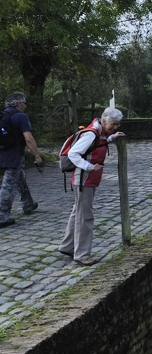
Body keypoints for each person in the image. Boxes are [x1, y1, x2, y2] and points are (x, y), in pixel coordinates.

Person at [58, 107, 125, 265]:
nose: (115, 127)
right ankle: (81, 255)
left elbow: (96, 145)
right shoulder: (91, 133)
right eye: (113, 124)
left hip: (88, 179)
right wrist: (88, 166)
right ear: (103, 121)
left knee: (78, 211)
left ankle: (67, 246)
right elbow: (74, 153)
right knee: (85, 216)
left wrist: (111, 138)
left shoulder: (99, 132)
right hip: (84, 180)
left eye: (117, 125)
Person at [0, 92, 43, 228]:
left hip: (2, 153)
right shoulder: (21, 116)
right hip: (14, 156)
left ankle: (28, 203)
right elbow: (28, 138)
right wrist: (37, 156)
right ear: (19, 104)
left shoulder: (2, 115)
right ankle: (2, 216)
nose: (25, 105)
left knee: (20, 177)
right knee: (8, 185)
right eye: (24, 103)